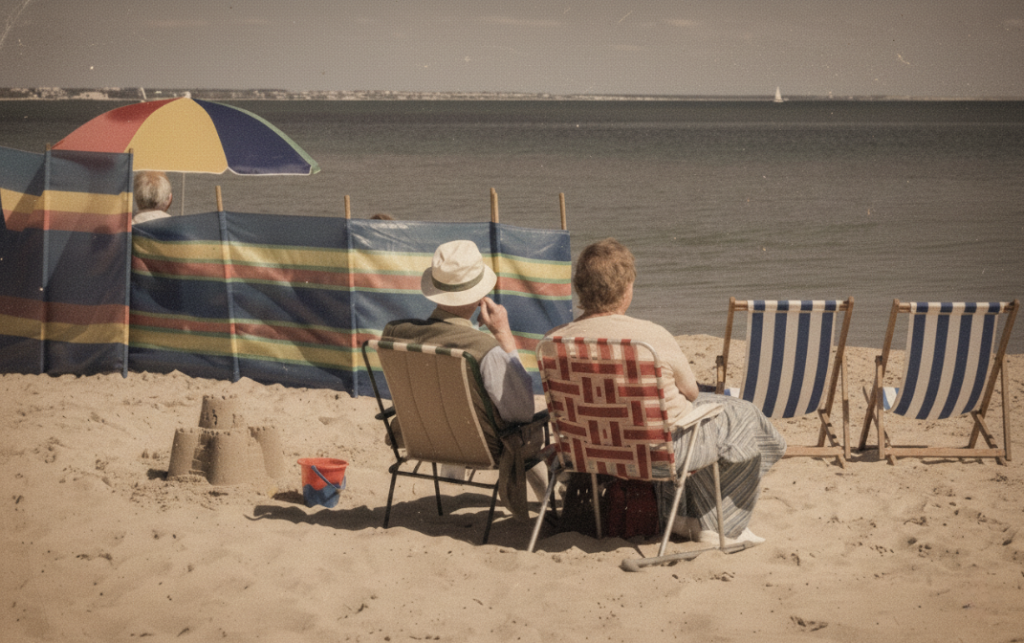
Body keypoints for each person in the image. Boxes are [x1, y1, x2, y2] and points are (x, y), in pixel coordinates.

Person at [548, 238, 786, 546]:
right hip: (658, 454)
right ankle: (721, 525)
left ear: (580, 288)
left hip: (587, 454)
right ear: (626, 288)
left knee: (725, 413)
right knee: (745, 418)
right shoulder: (650, 337)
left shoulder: (554, 342)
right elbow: (690, 391)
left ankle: (688, 517)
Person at [382, 239, 548, 518]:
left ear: (434, 293)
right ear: (477, 296)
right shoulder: (485, 351)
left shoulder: (395, 333)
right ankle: (547, 502)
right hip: (480, 448)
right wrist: (504, 335)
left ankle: (451, 482)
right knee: (528, 430)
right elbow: (522, 410)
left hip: (420, 438)